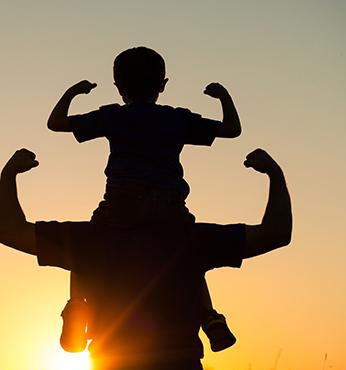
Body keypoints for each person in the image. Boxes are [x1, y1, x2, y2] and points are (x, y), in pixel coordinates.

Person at [0, 147, 291, 370]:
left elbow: (9, 230)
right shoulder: (192, 238)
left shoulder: (90, 239)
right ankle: (211, 318)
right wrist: (274, 175)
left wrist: (9, 175)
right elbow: (276, 233)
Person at [47, 47, 242, 352]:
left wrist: (73, 92)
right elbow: (232, 130)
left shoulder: (113, 115)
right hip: (169, 205)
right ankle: (209, 317)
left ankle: (76, 311)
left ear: (118, 86)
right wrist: (223, 97)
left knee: (82, 247)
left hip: (121, 202)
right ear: (163, 84)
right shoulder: (176, 119)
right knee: (189, 258)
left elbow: (56, 123)